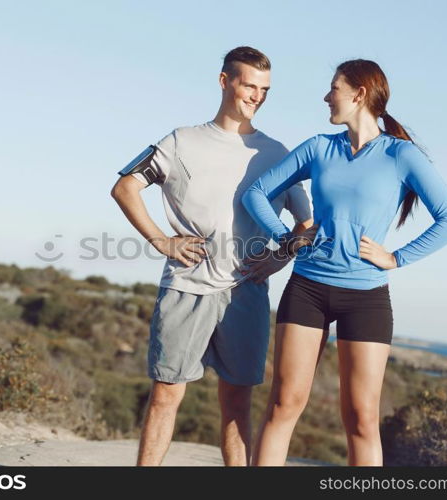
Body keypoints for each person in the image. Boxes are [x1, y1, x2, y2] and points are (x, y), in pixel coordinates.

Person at [242, 59, 447, 466]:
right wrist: (286, 238)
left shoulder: (402, 155)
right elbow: (256, 192)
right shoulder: (319, 147)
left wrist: (397, 257)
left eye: (334, 88)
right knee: (284, 404)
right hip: (307, 289)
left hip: (366, 297)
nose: (327, 97)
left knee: (361, 419)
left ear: (359, 94)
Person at [111, 46, 315, 466]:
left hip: (246, 292)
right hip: (185, 286)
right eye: (249, 85)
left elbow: (307, 224)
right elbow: (124, 188)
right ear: (225, 81)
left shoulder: (277, 154)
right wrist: (161, 241)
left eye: (265, 89)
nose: (256, 96)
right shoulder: (181, 141)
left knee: (237, 402)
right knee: (166, 395)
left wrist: (279, 259)